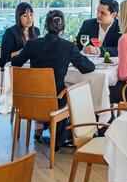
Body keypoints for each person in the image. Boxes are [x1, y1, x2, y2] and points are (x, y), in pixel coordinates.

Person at [11, 10, 95, 150]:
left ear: (45, 26)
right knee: (71, 93)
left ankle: (45, 130)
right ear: (63, 28)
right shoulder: (68, 47)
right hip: (55, 100)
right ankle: (63, 137)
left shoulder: (32, 44)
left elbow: (16, 63)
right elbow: (88, 68)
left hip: (31, 98)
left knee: (58, 91)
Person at [0, 2, 40, 68]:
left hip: (29, 65)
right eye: (25, 16)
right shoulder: (10, 33)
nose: (29, 18)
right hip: (11, 67)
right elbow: (4, 57)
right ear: (18, 18)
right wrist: (22, 51)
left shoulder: (36, 31)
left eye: (31, 15)